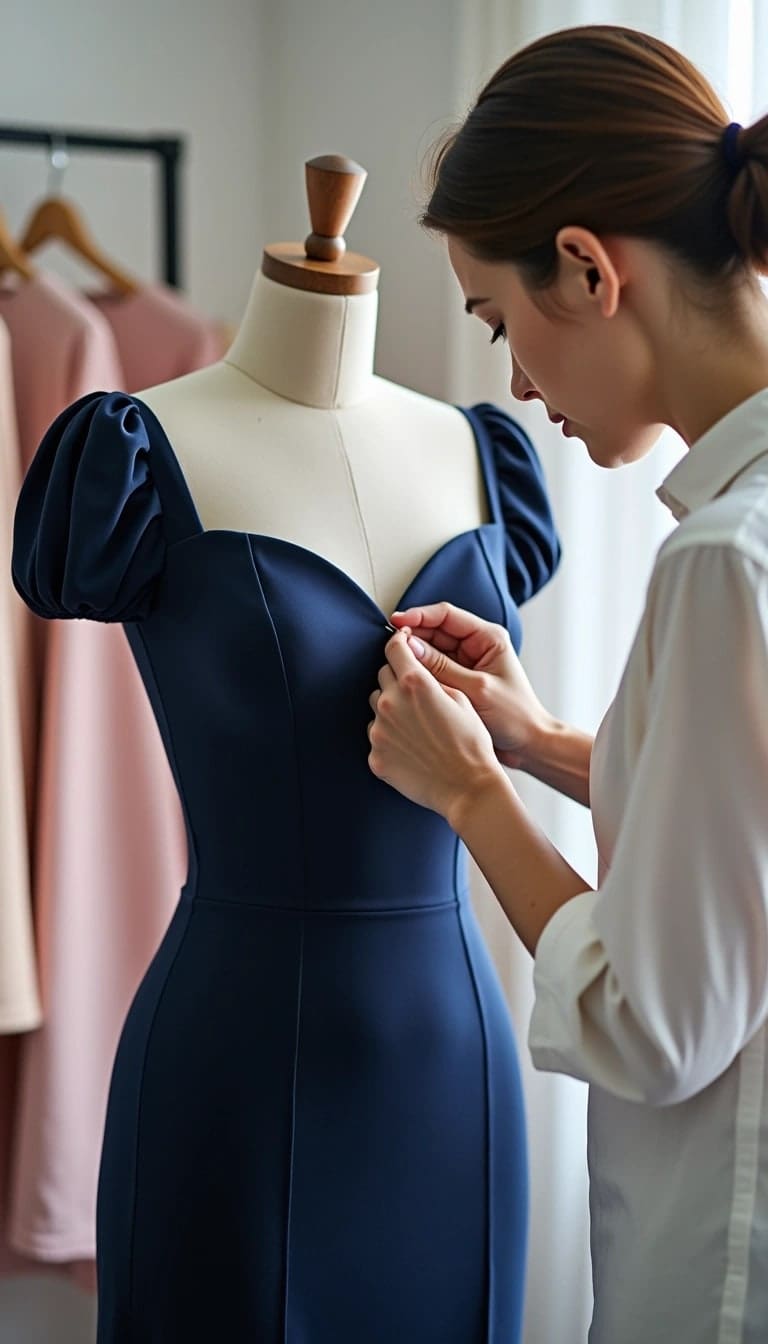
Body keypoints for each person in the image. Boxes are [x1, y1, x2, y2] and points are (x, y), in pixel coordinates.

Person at [367, 23, 768, 1344]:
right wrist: (543, 745)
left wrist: (474, 795)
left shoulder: (724, 563)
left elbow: (659, 1026)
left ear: (588, 269)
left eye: (500, 325)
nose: (519, 386)